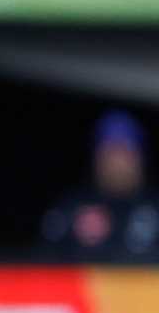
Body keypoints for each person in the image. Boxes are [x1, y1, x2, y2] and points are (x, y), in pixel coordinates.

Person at [41, 110, 158, 263]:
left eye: (125, 151)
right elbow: (43, 262)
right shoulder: (71, 208)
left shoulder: (154, 207)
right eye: (110, 151)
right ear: (96, 158)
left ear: (140, 158)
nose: (117, 162)